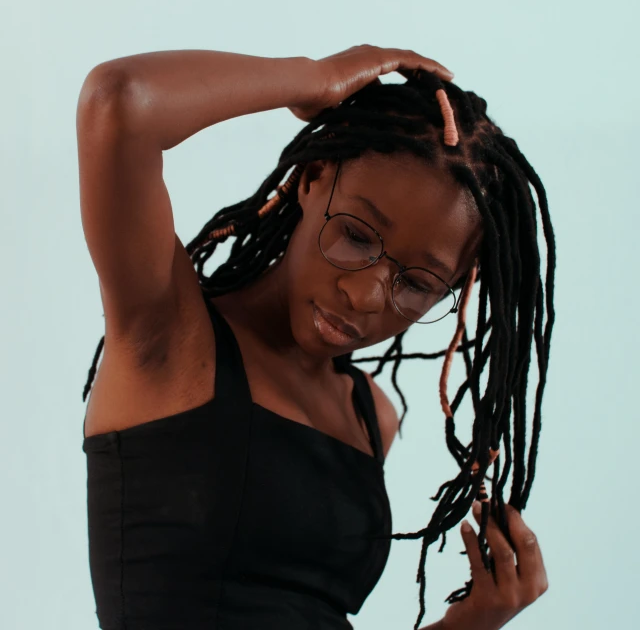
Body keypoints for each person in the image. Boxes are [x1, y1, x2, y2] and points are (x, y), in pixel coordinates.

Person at [76, 46, 553, 630]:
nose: (367, 295)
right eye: (356, 235)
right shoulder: (169, 337)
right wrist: (315, 80)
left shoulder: (369, 417)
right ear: (312, 178)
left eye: (419, 282)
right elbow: (119, 102)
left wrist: (468, 623)